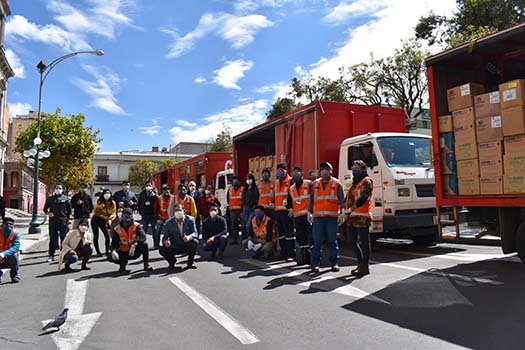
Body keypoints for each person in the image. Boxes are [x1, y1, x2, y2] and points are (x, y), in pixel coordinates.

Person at [308, 162, 345, 272]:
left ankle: (334, 263)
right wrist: (309, 211)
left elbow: (342, 199)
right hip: (318, 217)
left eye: (326, 169)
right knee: (317, 241)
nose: (324, 171)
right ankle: (315, 264)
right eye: (322, 169)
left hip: (331, 217)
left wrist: (342, 212)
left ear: (331, 171)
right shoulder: (315, 183)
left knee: (332, 241)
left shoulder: (337, 183)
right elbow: (312, 199)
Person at [346, 160, 373, 277]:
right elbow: (348, 198)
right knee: (351, 241)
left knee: (364, 242)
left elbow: (364, 198)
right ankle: (360, 263)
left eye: (356, 168)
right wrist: (343, 210)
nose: (354, 170)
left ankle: (365, 266)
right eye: (353, 168)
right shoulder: (354, 183)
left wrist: (352, 208)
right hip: (352, 216)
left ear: (362, 169)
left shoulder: (367, 181)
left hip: (362, 216)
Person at [108, 208, 153, 273]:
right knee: (110, 256)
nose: (126, 216)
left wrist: (135, 244)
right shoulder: (117, 229)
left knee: (144, 244)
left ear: (131, 216)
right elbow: (114, 243)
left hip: (134, 251)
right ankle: (122, 265)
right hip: (123, 252)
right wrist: (113, 250)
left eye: (128, 214)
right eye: (125, 214)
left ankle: (146, 265)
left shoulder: (136, 225)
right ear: (122, 216)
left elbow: (143, 237)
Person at [160, 203, 199, 269]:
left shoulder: (190, 220)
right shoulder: (168, 223)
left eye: (180, 210)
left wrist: (188, 237)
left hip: (186, 244)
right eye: (176, 210)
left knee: (195, 242)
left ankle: (190, 263)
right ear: (174, 212)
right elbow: (164, 237)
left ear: (184, 211)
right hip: (175, 245)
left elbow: (195, 233)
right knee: (162, 249)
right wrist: (166, 242)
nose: (178, 212)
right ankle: (172, 262)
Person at [288, 166, 312, 265]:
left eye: (297, 172)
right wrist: (290, 208)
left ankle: (313, 258)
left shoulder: (309, 184)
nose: (295, 174)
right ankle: (303, 257)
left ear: (302, 174)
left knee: (311, 237)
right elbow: (290, 201)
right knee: (301, 238)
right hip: (298, 216)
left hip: (308, 215)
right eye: (294, 173)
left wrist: (312, 212)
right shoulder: (291, 188)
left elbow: (314, 198)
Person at [43, 184, 72, 262]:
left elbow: (70, 211)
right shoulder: (50, 199)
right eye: (56, 188)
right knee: (53, 238)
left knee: (64, 239)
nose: (58, 189)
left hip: (63, 221)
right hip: (53, 221)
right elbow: (45, 209)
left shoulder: (66, 199)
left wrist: (69, 219)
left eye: (59, 188)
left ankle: (64, 254)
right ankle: (51, 255)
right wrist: (48, 213)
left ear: (62, 189)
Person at [274, 163, 294, 260]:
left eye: (283, 170)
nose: (280, 172)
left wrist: (292, 207)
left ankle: (291, 253)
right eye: (279, 170)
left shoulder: (290, 181)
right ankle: (283, 251)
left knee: (289, 232)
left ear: (286, 170)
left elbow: (294, 195)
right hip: (278, 210)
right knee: (281, 233)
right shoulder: (276, 182)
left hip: (287, 210)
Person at [91, 189, 116, 257]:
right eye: (105, 193)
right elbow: (96, 211)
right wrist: (100, 207)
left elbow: (113, 212)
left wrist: (110, 218)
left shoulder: (113, 202)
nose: (107, 194)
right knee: (96, 236)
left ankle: (107, 251)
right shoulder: (99, 201)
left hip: (104, 220)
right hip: (95, 219)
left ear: (110, 194)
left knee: (107, 236)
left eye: (108, 193)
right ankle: (98, 252)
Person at [0, 217, 20, 283]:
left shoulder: (15, 234)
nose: (9, 226)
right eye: (6, 224)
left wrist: (4, 254)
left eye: (11, 224)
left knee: (14, 255)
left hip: (8, 257)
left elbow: (15, 247)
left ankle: (14, 276)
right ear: (2, 225)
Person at [154, 185, 172, 249]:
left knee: (170, 232)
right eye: (165, 189)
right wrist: (157, 219)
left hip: (170, 218)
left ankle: (169, 244)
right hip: (161, 218)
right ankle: (156, 244)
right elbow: (156, 209)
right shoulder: (159, 198)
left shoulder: (173, 198)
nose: (166, 191)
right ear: (162, 191)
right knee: (157, 231)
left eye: (168, 189)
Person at [227, 177, 244, 244]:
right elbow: (228, 199)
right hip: (232, 210)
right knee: (234, 225)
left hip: (241, 210)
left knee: (243, 225)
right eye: (234, 181)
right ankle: (234, 239)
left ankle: (244, 239)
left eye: (236, 181)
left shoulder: (242, 189)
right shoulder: (230, 189)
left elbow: (244, 199)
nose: (235, 183)